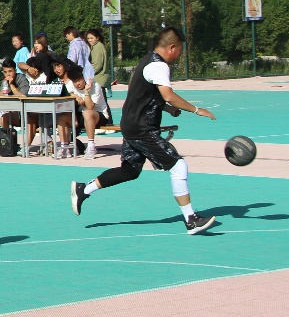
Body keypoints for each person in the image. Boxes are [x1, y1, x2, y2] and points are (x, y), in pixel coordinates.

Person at [71, 26, 218, 235]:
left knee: (129, 171)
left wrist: (167, 108)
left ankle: (83, 189)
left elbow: (143, 93)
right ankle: (191, 219)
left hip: (131, 124)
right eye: (180, 50)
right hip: (142, 129)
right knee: (178, 166)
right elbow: (168, 95)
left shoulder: (147, 60)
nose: (179, 55)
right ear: (172, 47)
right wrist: (196, 110)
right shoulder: (159, 66)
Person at [63, 63, 111, 160]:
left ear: (84, 77)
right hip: (82, 114)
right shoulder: (72, 85)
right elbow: (67, 93)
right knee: (62, 117)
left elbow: (90, 107)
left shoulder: (95, 86)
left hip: (99, 115)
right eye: (74, 81)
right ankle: (64, 147)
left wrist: (86, 92)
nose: (77, 84)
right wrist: (75, 96)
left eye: (79, 80)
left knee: (87, 113)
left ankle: (91, 146)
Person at [0, 58, 29, 150]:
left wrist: (11, 85)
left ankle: (7, 144)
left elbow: (23, 96)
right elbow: (0, 95)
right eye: (5, 72)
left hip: (19, 112)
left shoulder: (22, 79)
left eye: (10, 71)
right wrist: (5, 86)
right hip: (6, 110)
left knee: (5, 118)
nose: (8, 74)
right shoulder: (4, 81)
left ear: (15, 70)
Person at [86, 28, 111, 97]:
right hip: (100, 79)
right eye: (88, 38)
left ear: (97, 38)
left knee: (100, 100)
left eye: (92, 38)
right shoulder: (97, 46)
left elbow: (97, 65)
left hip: (99, 79)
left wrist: (88, 74)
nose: (90, 40)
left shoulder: (97, 48)